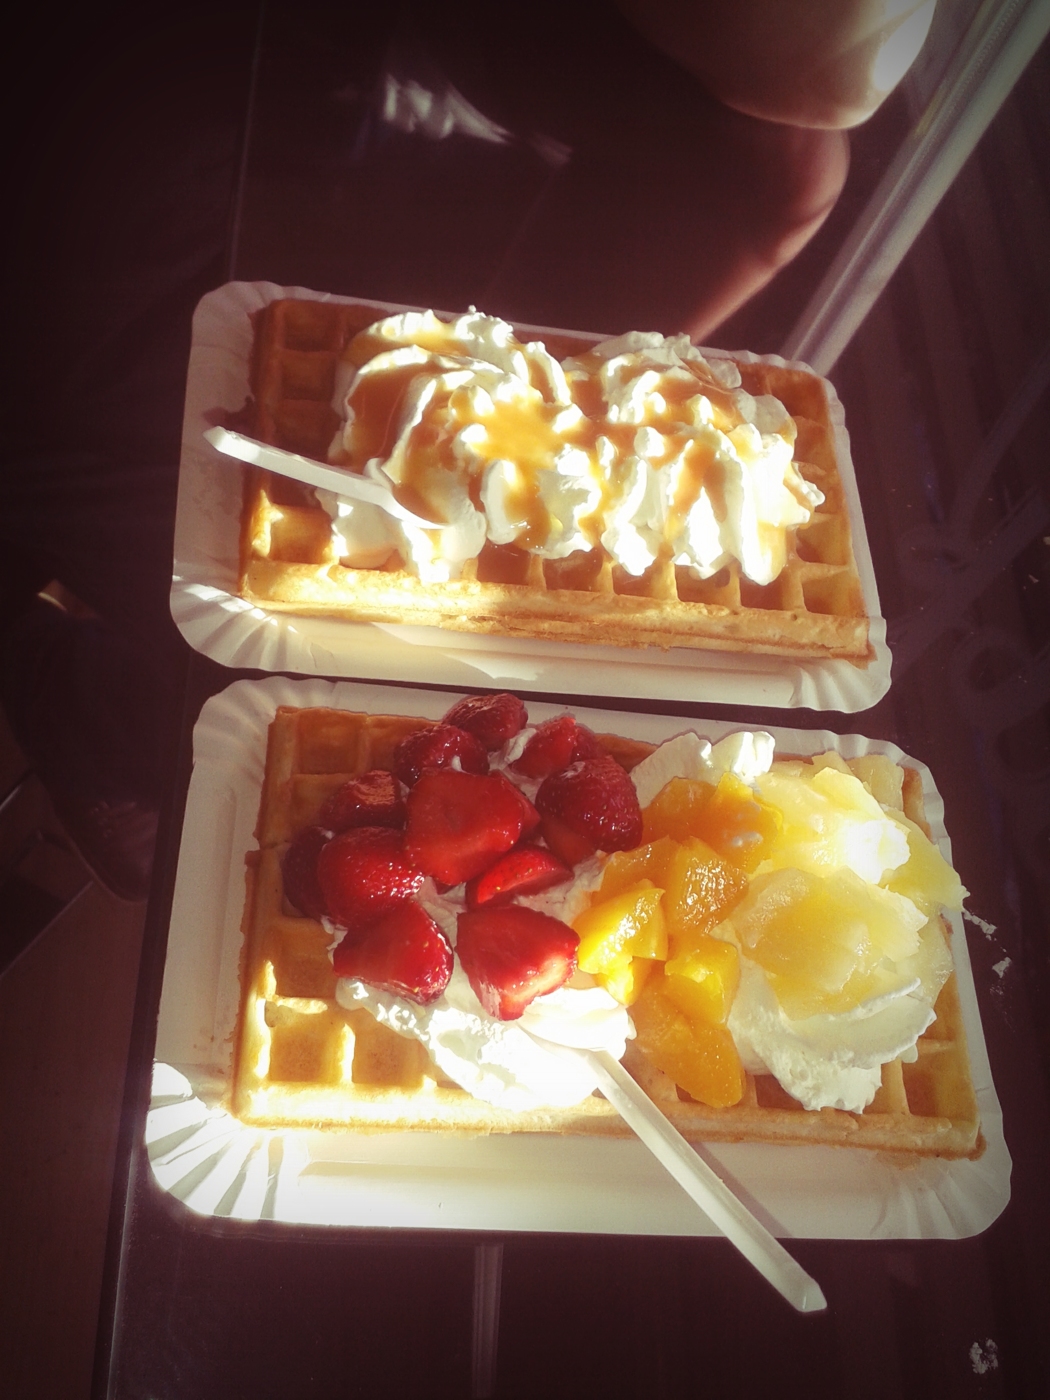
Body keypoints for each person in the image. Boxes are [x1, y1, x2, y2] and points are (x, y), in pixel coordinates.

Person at [0, 1, 929, 900]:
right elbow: (840, 52)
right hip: (96, 159)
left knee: (784, 161)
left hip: (328, 72)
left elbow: (830, 68)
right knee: (227, 676)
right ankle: (57, 684)